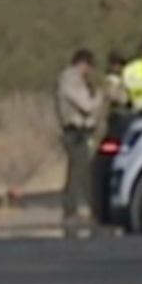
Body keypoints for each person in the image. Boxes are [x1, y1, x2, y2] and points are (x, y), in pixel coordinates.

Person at [54, 48, 103, 236]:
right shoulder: (70, 81)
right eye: (88, 67)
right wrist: (99, 96)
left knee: (79, 170)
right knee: (78, 171)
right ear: (82, 63)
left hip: (80, 131)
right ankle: (71, 210)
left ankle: (77, 208)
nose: (89, 72)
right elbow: (86, 105)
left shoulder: (75, 80)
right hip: (74, 132)